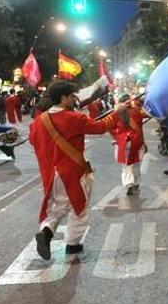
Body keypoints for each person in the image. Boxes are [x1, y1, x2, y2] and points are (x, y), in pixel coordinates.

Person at [29, 81, 124, 260]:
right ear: (63, 98)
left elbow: (34, 141)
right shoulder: (74, 118)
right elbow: (101, 127)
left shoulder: (38, 122)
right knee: (79, 207)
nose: (75, 99)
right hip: (71, 171)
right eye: (72, 95)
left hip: (51, 174)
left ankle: (46, 231)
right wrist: (117, 112)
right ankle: (73, 244)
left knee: (58, 207)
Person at [111, 94, 147, 195]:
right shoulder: (136, 112)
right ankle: (135, 182)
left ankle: (128, 184)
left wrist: (116, 137)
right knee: (136, 163)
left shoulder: (115, 114)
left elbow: (109, 127)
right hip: (135, 142)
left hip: (122, 142)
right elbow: (141, 124)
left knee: (126, 165)